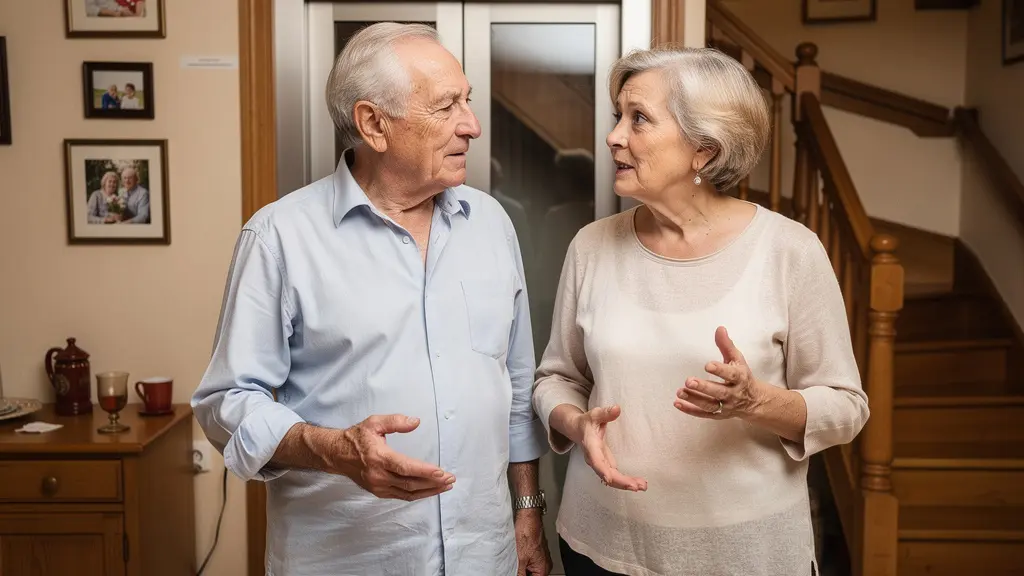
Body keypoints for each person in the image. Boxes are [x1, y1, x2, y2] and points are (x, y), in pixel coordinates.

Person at [191, 22, 552, 576]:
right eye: (446, 106)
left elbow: (518, 383)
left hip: (486, 556)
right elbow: (226, 402)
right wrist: (333, 448)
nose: (472, 125)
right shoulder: (280, 237)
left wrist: (527, 514)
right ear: (373, 124)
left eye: (468, 100)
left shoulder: (493, 224)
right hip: (348, 559)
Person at [532, 46, 869, 576]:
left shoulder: (790, 251)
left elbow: (846, 407)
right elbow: (556, 377)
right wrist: (576, 423)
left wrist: (757, 401)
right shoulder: (591, 246)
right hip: (602, 547)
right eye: (617, 115)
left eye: (638, 118)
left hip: (745, 555)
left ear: (704, 151)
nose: (614, 135)